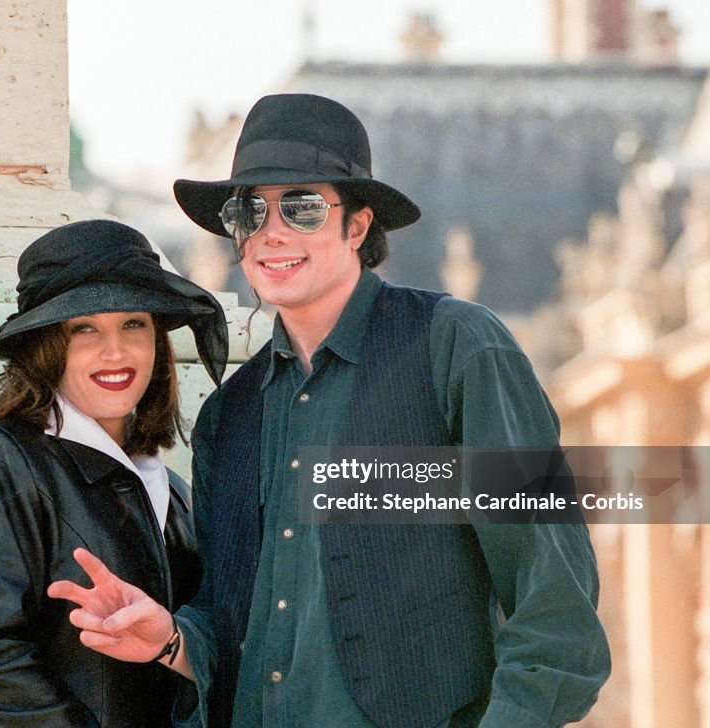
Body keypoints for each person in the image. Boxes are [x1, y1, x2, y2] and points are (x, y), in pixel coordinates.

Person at [48, 94, 611, 728]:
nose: (272, 231)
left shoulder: (456, 347)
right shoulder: (229, 414)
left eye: (303, 207)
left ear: (359, 226)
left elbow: (555, 607)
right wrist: (172, 639)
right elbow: (236, 621)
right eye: (248, 211)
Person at [0, 219, 229, 727]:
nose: (115, 351)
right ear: (47, 346)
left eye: (133, 324)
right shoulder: (4, 458)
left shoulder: (177, 493)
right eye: (85, 328)